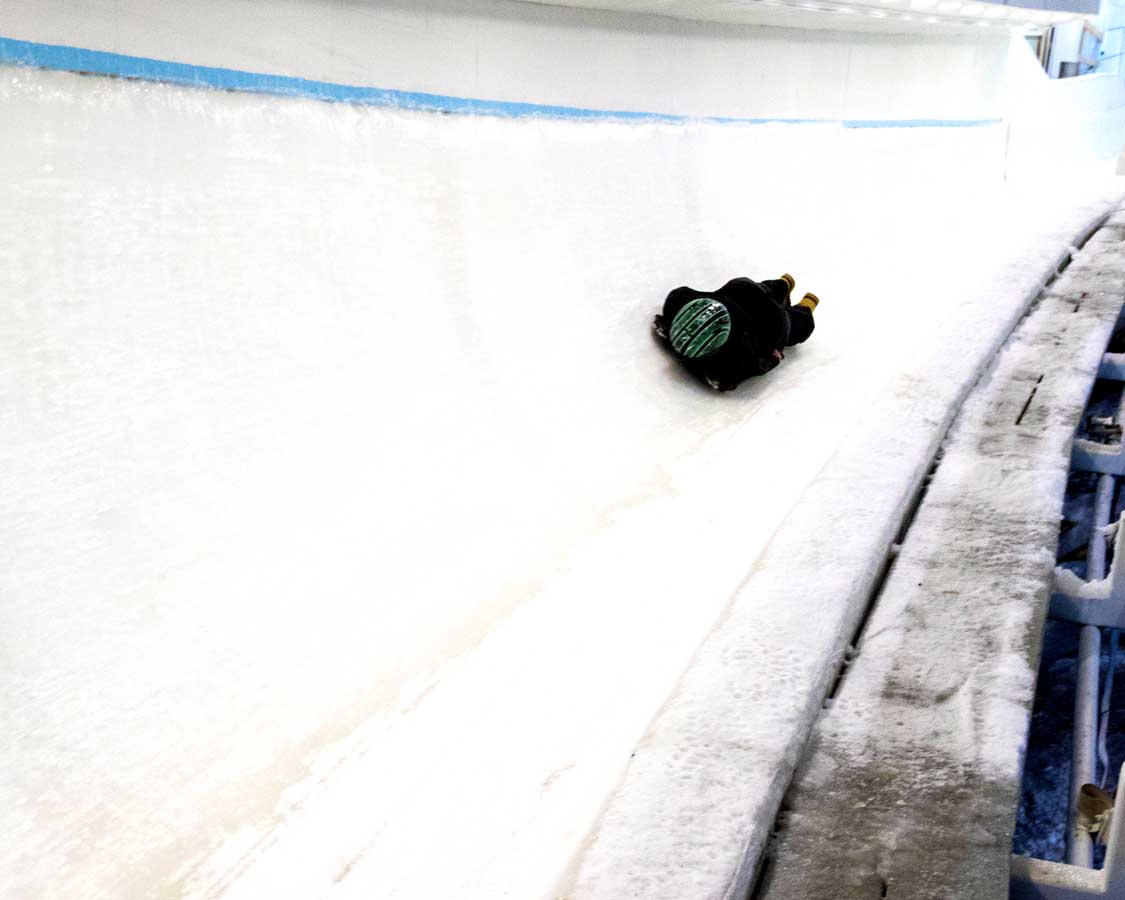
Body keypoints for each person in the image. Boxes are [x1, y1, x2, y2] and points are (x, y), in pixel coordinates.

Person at [652, 274, 819, 392]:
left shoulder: (738, 356)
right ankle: (784, 284)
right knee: (761, 291)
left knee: (795, 323)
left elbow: (759, 364)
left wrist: (773, 357)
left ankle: (803, 303)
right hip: (742, 289)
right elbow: (679, 292)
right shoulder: (677, 302)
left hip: (772, 320)